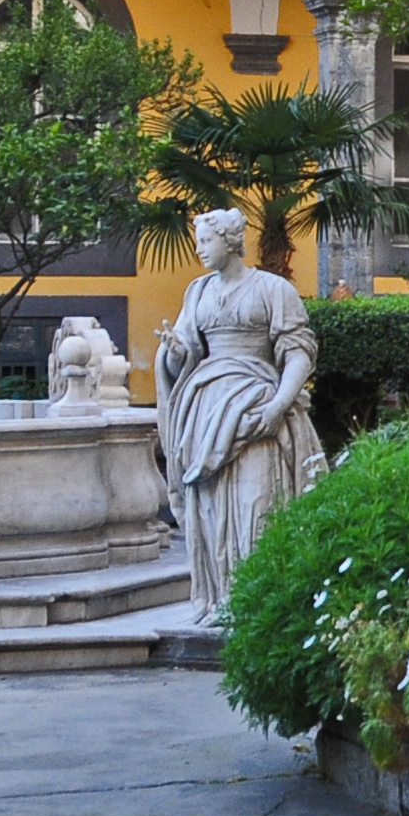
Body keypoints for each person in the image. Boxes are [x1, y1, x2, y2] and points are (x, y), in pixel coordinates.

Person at [155, 207, 322, 614]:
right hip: (207, 411)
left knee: (256, 505)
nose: (199, 250)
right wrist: (174, 354)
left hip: (256, 409)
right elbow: (186, 352)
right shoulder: (197, 292)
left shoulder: (272, 288)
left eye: (206, 241)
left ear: (229, 242)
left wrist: (278, 404)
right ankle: (222, 600)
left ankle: (259, 604)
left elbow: (298, 353)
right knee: (212, 511)